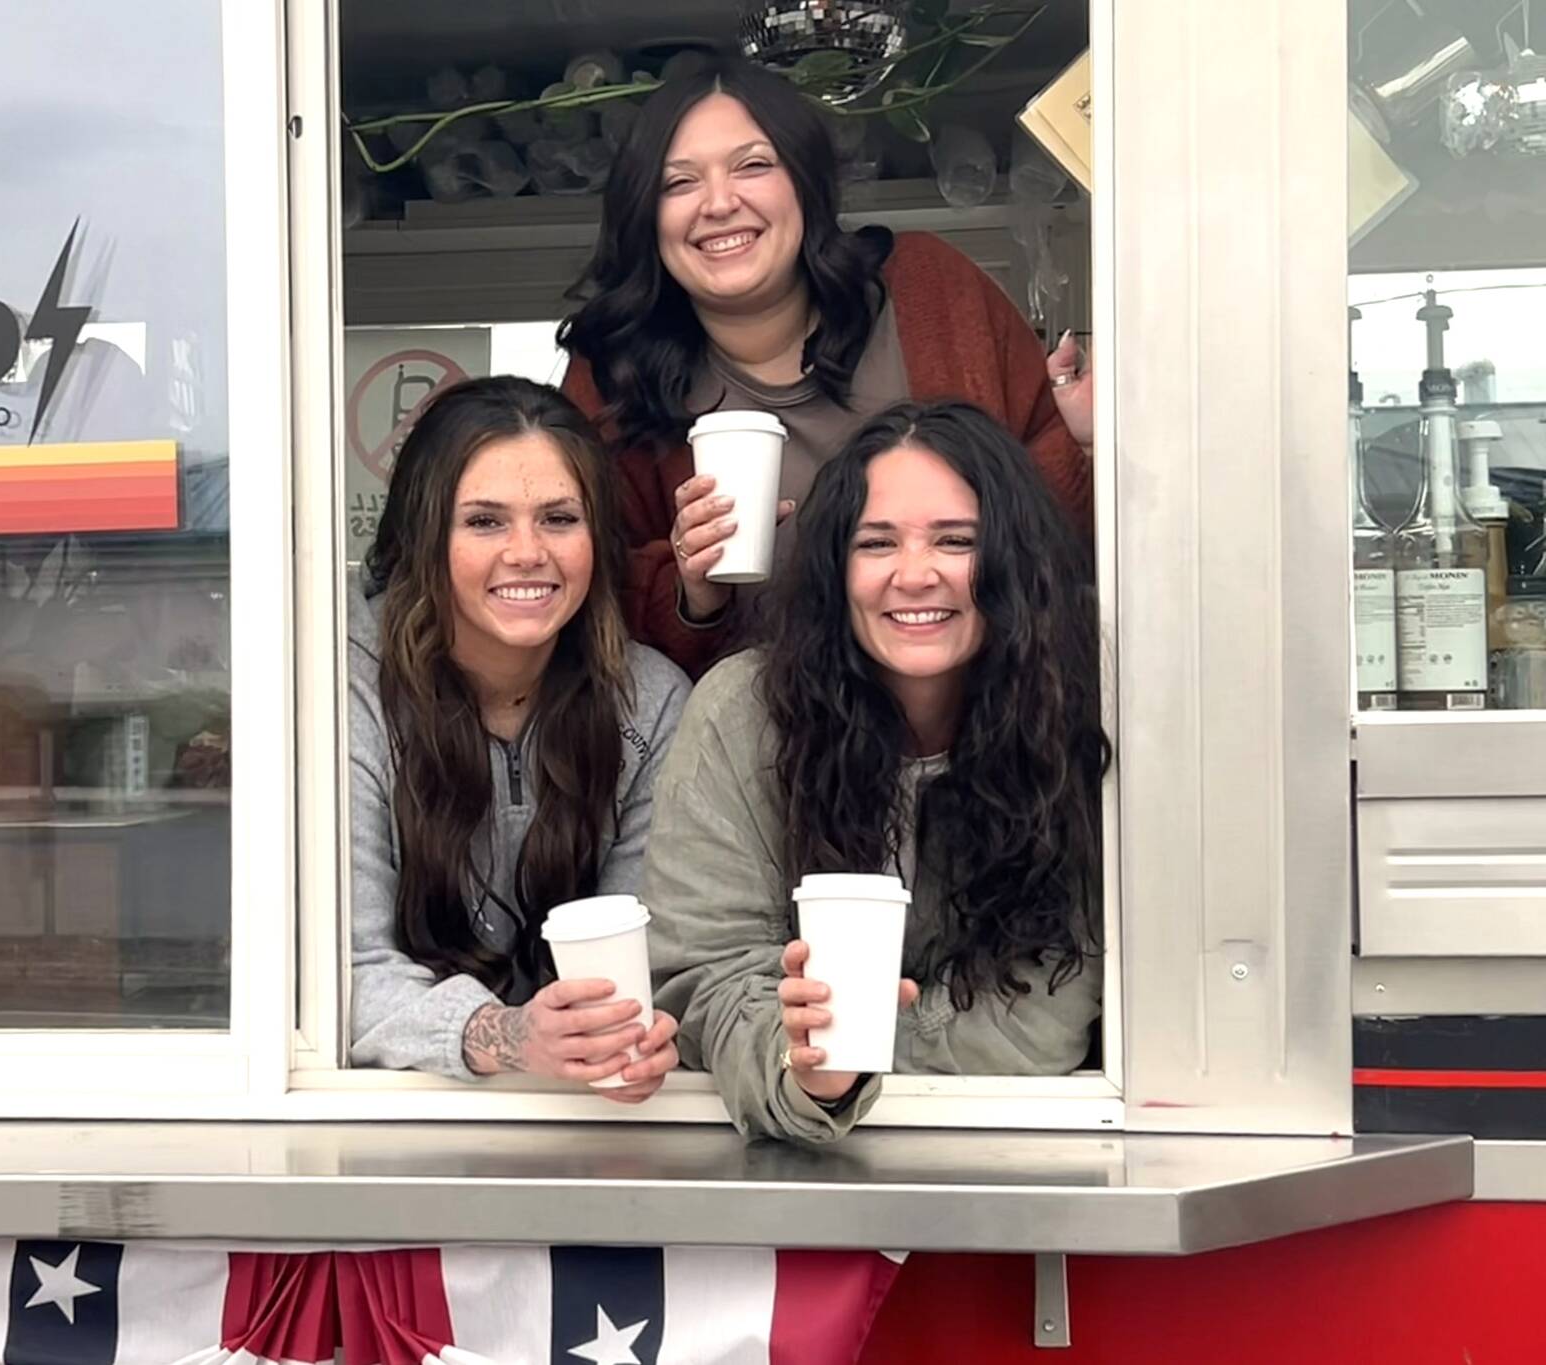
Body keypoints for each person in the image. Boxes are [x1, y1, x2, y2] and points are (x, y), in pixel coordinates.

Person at [644, 401, 1108, 1144]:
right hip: (789, 1166)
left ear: (1013, 562)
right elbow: (702, 973)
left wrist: (858, 1051)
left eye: (957, 540)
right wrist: (804, 1067)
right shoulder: (742, 710)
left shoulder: (1080, 710)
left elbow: (1040, 1029)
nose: (915, 574)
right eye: (876, 542)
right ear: (835, 566)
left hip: (1023, 1147)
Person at [559, 56, 1094, 676]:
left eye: (753, 166)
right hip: (762, 740)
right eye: (678, 183)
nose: (719, 202)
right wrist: (691, 594)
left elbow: (1061, 532)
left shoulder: (930, 290)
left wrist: (1091, 447)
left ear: (807, 184)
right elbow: (581, 603)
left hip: (980, 713)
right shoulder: (609, 378)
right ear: (646, 218)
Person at [349, 376, 691, 1099]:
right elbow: (341, 968)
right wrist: (501, 1036)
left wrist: (626, 1038)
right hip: (383, 1115)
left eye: (560, 518)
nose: (528, 551)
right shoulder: (343, 683)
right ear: (423, 535)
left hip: (577, 1123)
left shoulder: (652, 700)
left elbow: (651, 967)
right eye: (484, 521)